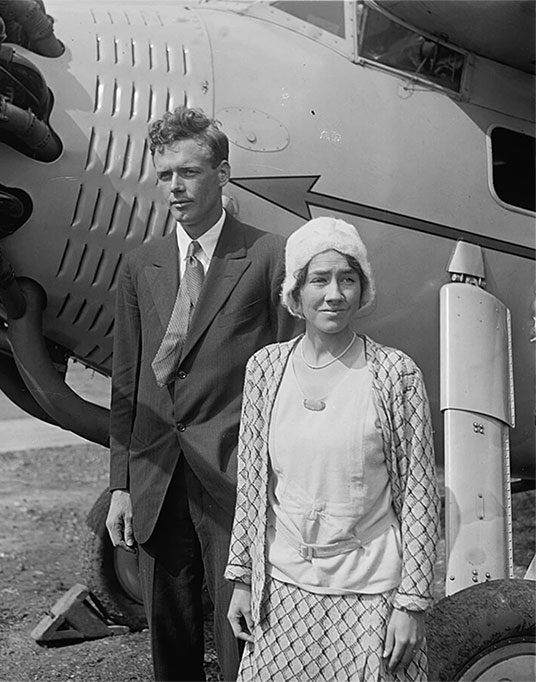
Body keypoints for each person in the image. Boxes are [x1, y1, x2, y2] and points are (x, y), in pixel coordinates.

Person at [105, 106, 299, 681]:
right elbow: (125, 383)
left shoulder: (269, 255)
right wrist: (121, 483)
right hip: (156, 475)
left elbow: (291, 375)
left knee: (243, 631)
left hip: (235, 473)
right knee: (171, 633)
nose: (175, 187)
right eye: (164, 175)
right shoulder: (140, 265)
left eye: (188, 172)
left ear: (223, 173)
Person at [225, 217, 440, 681]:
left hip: (371, 599)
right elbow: (253, 484)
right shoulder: (266, 369)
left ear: (363, 290)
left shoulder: (394, 374)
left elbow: (421, 496)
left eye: (348, 279)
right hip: (283, 596)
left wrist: (413, 604)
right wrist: (242, 579)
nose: (334, 294)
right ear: (295, 294)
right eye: (318, 280)